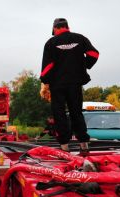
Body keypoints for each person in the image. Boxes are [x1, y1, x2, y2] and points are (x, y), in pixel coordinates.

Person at [40, 18, 99, 151]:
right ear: (67, 27)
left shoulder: (51, 42)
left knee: (59, 113)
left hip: (58, 85)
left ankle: (64, 145)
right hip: (75, 83)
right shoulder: (80, 38)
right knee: (76, 112)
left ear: (55, 29)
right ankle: (83, 142)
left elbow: (47, 66)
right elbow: (94, 54)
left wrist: (45, 81)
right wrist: (85, 65)